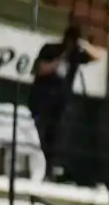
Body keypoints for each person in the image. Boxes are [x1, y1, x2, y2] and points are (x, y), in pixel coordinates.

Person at [29, 26, 103, 176]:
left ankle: (48, 169)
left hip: (60, 103)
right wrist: (57, 62)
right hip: (43, 100)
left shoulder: (75, 56)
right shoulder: (50, 49)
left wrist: (84, 44)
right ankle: (37, 167)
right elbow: (38, 69)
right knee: (38, 135)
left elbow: (98, 56)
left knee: (54, 137)